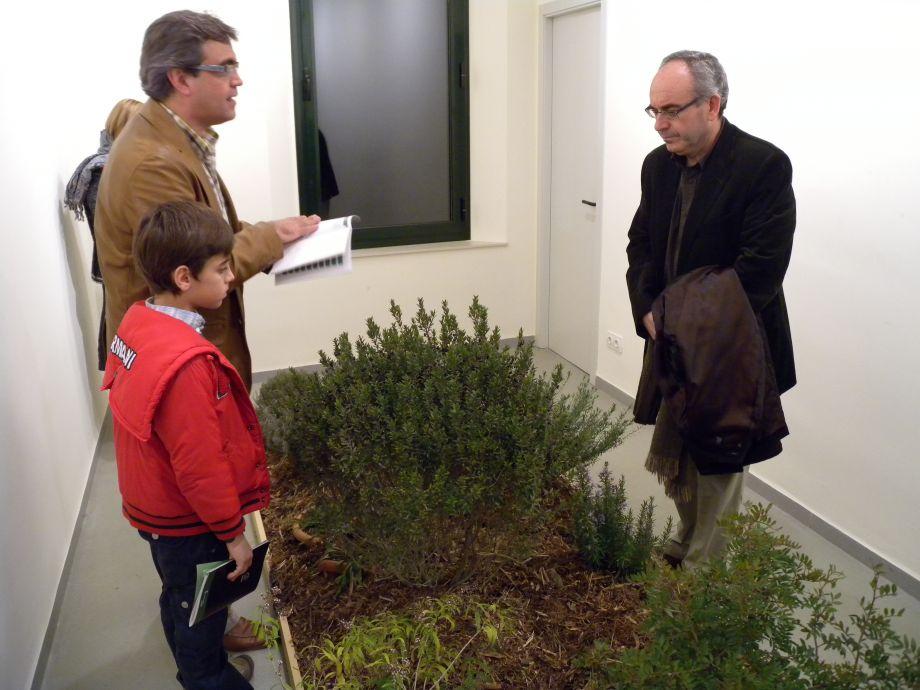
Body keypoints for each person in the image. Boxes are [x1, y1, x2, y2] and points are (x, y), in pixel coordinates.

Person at [625, 51, 796, 570]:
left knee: (719, 462)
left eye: (672, 110)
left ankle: (703, 585)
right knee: (676, 446)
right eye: (653, 111)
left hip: (729, 349)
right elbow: (642, 244)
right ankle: (687, 537)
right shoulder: (657, 166)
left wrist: (675, 320)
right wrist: (647, 311)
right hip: (669, 341)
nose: (660, 124)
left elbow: (758, 272)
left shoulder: (762, 166)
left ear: (713, 105)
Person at [95, 9, 320, 392]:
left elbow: (207, 233)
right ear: (181, 78)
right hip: (178, 370)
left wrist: (274, 234)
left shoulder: (175, 140)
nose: (238, 80)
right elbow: (194, 270)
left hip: (190, 354)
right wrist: (269, 238)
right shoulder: (152, 164)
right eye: (224, 68)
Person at [102, 201, 269, 689]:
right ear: (183, 277)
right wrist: (233, 534)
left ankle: (192, 657)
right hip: (186, 519)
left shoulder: (137, 323)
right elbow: (201, 466)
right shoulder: (187, 365)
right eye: (221, 269)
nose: (231, 276)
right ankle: (205, 678)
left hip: (152, 507)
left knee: (179, 592)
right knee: (202, 608)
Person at [64, 98, 142, 370]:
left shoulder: (126, 165)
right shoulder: (101, 170)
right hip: (125, 266)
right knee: (128, 338)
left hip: (138, 265)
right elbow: (110, 226)